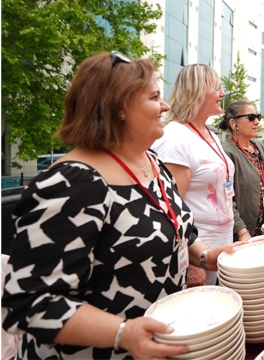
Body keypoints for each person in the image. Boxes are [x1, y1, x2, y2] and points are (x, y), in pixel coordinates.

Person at [1, 51, 237, 359]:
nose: (165, 105)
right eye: (154, 97)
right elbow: (31, 303)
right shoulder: (71, 183)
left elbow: (176, 226)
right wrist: (122, 334)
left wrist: (204, 255)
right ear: (119, 106)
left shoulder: (150, 161)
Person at [152, 64, 234, 287]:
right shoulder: (175, 138)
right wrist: (192, 262)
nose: (222, 93)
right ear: (197, 91)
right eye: (216, 87)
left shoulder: (210, 134)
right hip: (198, 249)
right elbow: (171, 211)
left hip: (219, 244)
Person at [219, 101, 264, 239]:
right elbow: (226, 199)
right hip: (245, 233)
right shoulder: (227, 153)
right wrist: (242, 231)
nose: (256, 122)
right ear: (233, 123)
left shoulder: (259, 146)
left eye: (257, 117)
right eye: (250, 117)